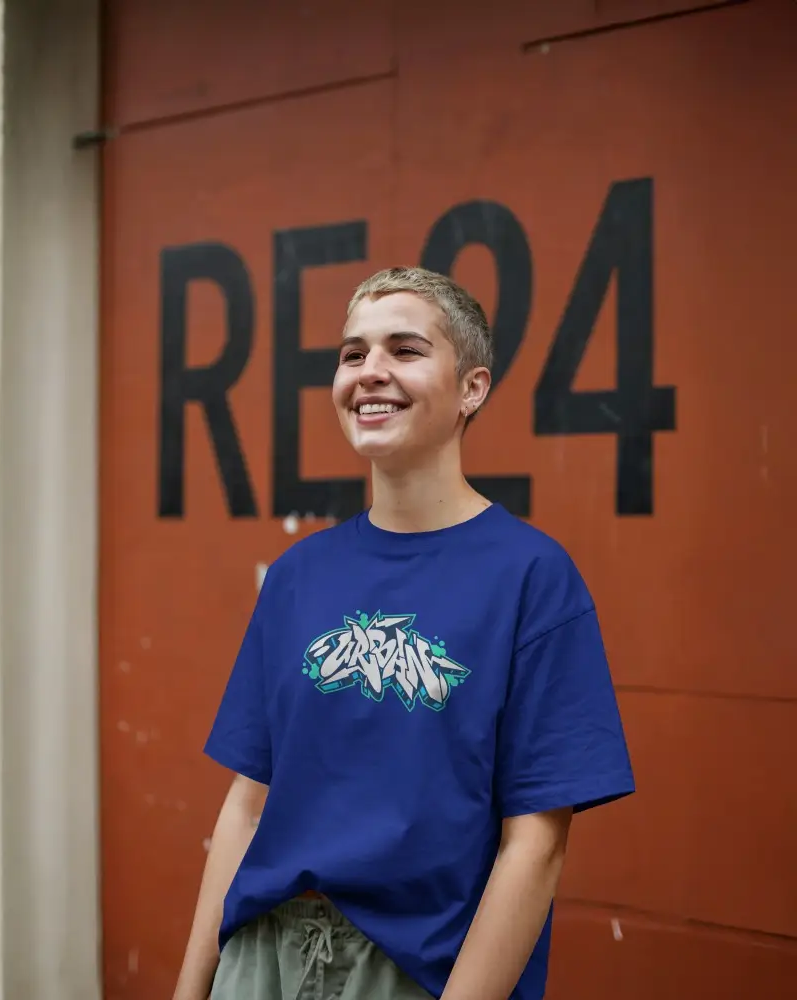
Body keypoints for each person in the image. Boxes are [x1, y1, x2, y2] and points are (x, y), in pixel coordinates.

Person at [172, 267, 635, 1000]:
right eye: (353, 354)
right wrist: (194, 988)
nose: (370, 372)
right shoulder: (299, 575)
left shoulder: (532, 577)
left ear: (473, 389)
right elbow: (247, 804)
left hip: (416, 969)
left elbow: (536, 844)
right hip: (261, 956)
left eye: (405, 349)